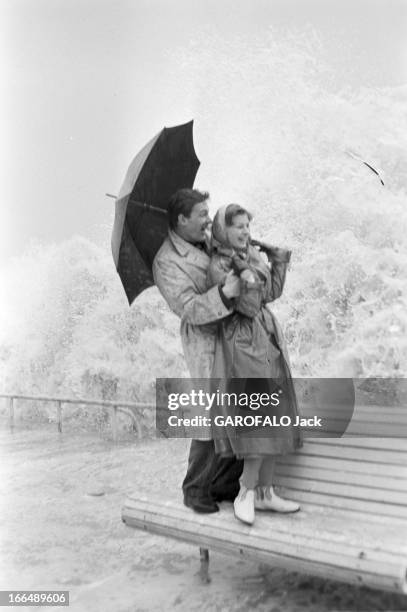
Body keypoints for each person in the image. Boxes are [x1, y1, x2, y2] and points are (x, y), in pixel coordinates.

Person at [207, 204, 302, 525]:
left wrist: (276, 260)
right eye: (238, 227)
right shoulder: (219, 265)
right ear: (223, 230)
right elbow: (246, 307)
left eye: (247, 226)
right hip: (241, 344)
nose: (245, 232)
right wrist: (244, 273)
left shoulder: (250, 256)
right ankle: (245, 492)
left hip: (266, 339)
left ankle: (265, 493)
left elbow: (270, 294)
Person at [152, 188, 243, 514]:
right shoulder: (166, 262)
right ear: (182, 219)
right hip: (205, 339)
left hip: (233, 335)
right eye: (202, 214)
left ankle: (224, 483)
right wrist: (225, 292)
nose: (208, 218)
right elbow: (188, 308)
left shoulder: (206, 240)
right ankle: (195, 489)